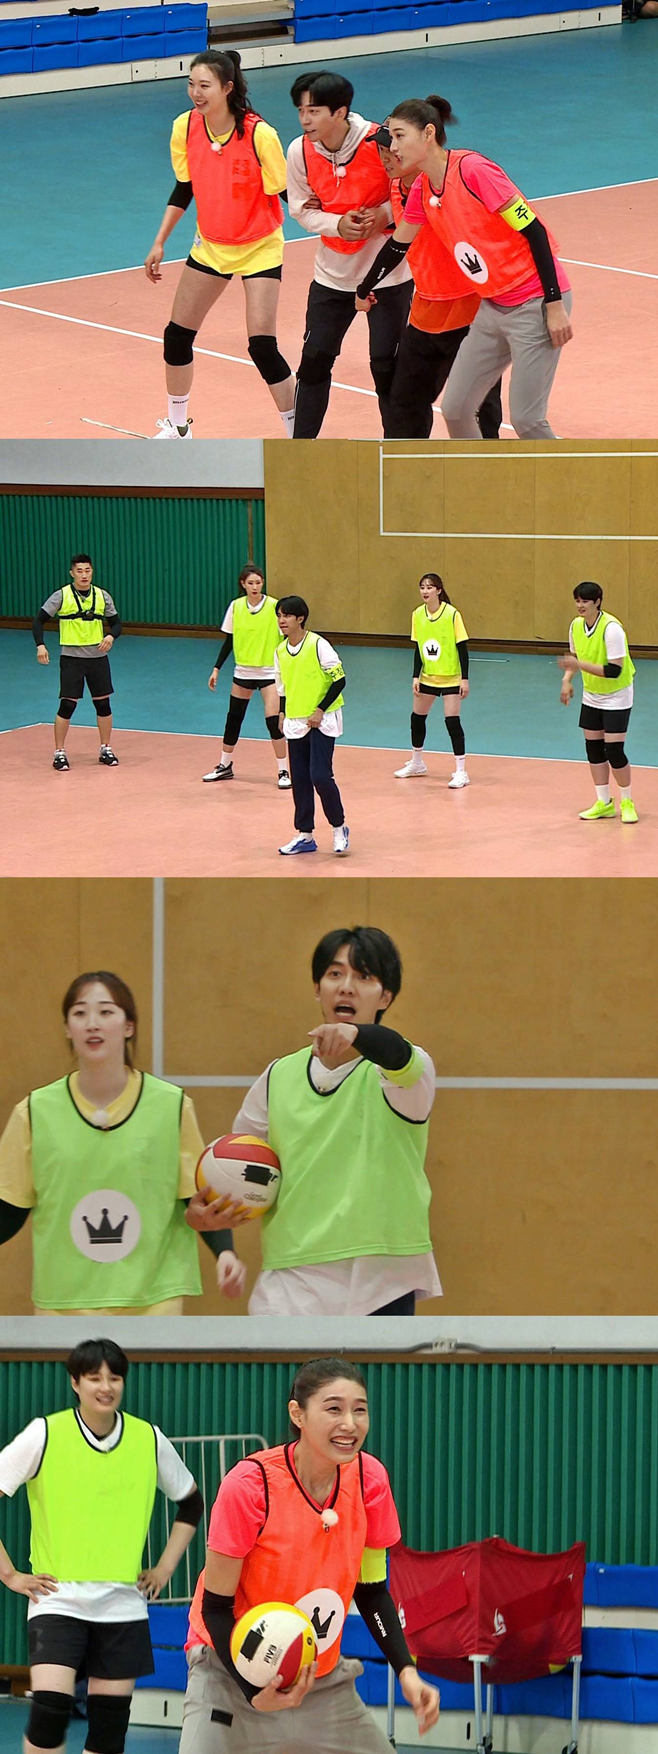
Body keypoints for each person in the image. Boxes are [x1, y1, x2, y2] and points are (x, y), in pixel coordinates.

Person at [179, 1356, 441, 1754]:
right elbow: (215, 1607)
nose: (350, 1424)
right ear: (297, 1414)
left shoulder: (369, 1480)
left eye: (360, 1410)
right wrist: (253, 1689)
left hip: (320, 1680)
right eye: (334, 1409)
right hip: (230, 1675)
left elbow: (372, 1592)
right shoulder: (250, 1486)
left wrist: (406, 1670)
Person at [0, 1337, 204, 1754]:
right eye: (94, 1377)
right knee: (49, 1715)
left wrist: (164, 1568)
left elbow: (191, 1502)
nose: (106, 1386)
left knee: (109, 1730)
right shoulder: (45, 1433)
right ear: (75, 1383)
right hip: (58, 1599)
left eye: (114, 1378)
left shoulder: (147, 1438)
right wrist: (10, 1574)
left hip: (122, 1604)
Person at [0, 970, 248, 1313]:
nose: (92, 1024)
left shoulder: (171, 1105)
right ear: (67, 1028)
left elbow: (196, 1196)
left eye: (106, 1011)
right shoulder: (34, 1111)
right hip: (64, 1303)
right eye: (80, 1013)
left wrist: (225, 1253)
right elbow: (10, 1208)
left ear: (129, 1026)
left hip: (153, 1302)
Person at [232, 926, 440, 1315]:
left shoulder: (407, 1071)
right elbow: (241, 1164)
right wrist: (214, 1208)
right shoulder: (278, 1076)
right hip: (291, 1281)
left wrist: (356, 1034)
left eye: (364, 977)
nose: (346, 987)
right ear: (317, 988)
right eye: (335, 974)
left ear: (386, 996)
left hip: (379, 1280)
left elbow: (396, 1052)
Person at [356, 96, 573, 441]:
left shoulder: (474, 171)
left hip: (534, 300)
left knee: (527, 420)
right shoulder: (422, 188)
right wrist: (364, 287)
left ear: (428, 133)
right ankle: (480, 473)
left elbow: (533, 229)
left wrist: (554, 303)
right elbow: (399, 244)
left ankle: (571, 475)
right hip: (492, 306)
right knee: (456, 410)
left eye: (399, 136)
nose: (392, 147)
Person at [145, 50, 295, 439]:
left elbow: (286, 194)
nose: (196, 93)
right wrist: (160, 241)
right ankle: (179, 427)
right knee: (177, 335)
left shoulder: (260, 135)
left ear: (227, 88)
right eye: (191, 84)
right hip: (211, 245)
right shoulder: (185, 127)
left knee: (262, 346)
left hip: (260, 246)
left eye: (205, 85)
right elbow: (184, 187)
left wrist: (329, 221)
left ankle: (300, 435)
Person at [286, 71, 413, 438]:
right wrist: (336, 224)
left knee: (386, 368)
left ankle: (397, 451)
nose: (305, 120)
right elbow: (300, 210)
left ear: (340, 112)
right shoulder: (298, 152)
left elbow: (413, 191)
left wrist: (385, 215)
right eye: (300, 111)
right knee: (313, 363)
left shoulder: (380, 142)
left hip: (388, 277)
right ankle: (300, 450)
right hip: (332, 276)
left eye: (314, 111)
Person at [375, 125, 501, 439]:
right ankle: (409, 463)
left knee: (481, 403)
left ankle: (490, 462)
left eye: (393, 148)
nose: (387, 157)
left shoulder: (437, 187)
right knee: (405, 405)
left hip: (469, 306)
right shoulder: (397, 186)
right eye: (382, 151)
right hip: (427, 310)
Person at [202, 564, 290, 788]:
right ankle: (224, 765)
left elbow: (287, 639)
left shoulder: (274, 607)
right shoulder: (236, 606)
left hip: (269, 672)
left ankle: (283, 771)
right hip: (243, 671)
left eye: (258, 582)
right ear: (243, 584)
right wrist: (216, 668)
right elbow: (229, 641)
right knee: (234, 718)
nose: (255, 587)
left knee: (273, 722)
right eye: (250, 583)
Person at [558, 581, 638, 823]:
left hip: (617, 695)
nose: (580, 605)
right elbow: (574, 656)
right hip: (592, 694)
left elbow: (614, 670)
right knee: (593, 749)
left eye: (585, 601)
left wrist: (578, 665)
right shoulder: (575, 626)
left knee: (614, 750)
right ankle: (604, 803)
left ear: (598, 602)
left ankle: (627, 801)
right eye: (577, 601)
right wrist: (566, 680)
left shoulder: (612, 629)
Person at [274, 596, 349, 857]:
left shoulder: (318, 644)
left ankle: (339, 827)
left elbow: (340, 680)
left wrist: (320, 709)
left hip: (322, 720)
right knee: (300, 779)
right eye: (279, 616)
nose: (282, 620)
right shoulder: (280, 651)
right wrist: (282, 712)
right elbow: (282, 687)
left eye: (287, 615)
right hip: (296, 721)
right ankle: (305, 835)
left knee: (320, 775)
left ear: (300, 618)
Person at [33, 554, 121, 772]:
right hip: (72, 659)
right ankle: (59, 752)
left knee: (103, 704)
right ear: (72, 573)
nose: (84, 575)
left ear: (92, 572)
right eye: (79, 571)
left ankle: (105, 748)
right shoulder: (61, 595)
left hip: (98, 659)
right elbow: (38, 621)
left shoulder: (102, 596)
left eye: (87, 570)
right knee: (67, 705)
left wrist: (111, 636)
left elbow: (116, 624)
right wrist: (40, 645)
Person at [394, 573, 470, 786]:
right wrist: (415, 676)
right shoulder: (417, 614)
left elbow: (462, 648)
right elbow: (418, 648)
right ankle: (417, 763)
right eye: (422, 587)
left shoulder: (452, 614)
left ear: (438, 590)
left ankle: (461, 771)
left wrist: (464, 679)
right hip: (428, 676)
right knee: (417, 718)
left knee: (452, 722)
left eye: (429, 587)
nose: (425, 591)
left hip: (451, 678)